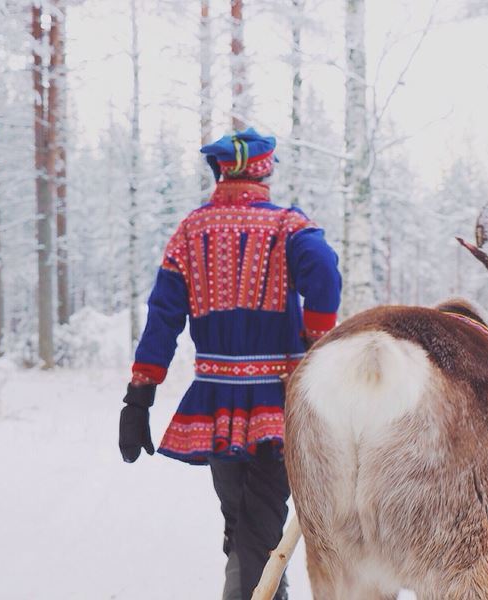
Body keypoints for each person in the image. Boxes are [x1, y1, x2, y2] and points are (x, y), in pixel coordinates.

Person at [118, 128, 342, 600]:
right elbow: (323, 268)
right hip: (278, 401)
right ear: (264, 171)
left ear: (219, 171)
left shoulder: (191, 230)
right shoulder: (288, 226)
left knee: (244, 524)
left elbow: (163, 317)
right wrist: (316, 340)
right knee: (255, 525)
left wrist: (139, 397)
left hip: (216, 402)